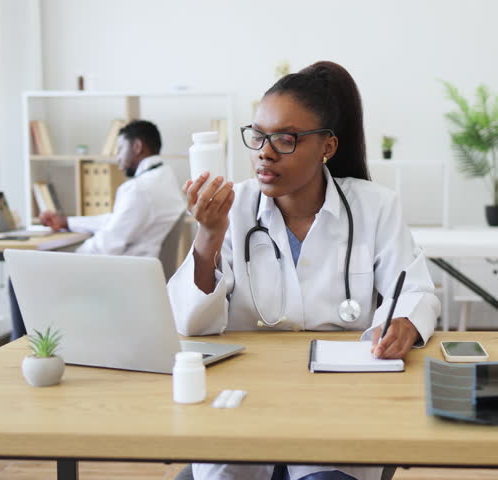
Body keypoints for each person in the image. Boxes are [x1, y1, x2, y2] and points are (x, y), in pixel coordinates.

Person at [167, 61, 440, 480]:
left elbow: (417, 290)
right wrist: (208, 235)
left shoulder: (375, 206)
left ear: (327, 147)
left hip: (340, 404)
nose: (265, 152)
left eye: (286, 139)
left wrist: (403, 322)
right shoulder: (232, 206)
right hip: (244, 403)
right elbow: (189, 322)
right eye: (258, 136)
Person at [9, 120, 185, 340]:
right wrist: (67, 222)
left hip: (119, 276)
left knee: (20, 274)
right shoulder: (164, 178)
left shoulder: (139, 189)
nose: (117, 159)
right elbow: (117, 221)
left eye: (120, 149)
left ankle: (21, 349)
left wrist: (70, 257)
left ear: (138, 147)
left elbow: (108, 245)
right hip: (139, 273)